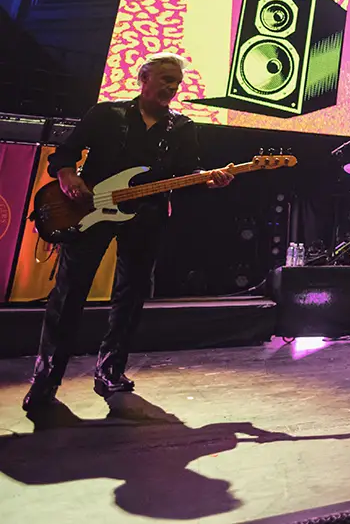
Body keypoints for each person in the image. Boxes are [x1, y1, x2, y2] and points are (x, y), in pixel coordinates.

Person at [23, 53, 235, 413]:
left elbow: (186, 175)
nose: (172, 86)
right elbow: (64, 156)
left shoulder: (182, 127)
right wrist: (69, 176)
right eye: (165, 78)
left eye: (177, 82)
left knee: (131, 296)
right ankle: (46, 378)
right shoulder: (107, 114)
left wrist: (208, 181)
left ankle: (110, 371)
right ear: (143, 77)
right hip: (90, 211)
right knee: (69, 294)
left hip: (147, 217)